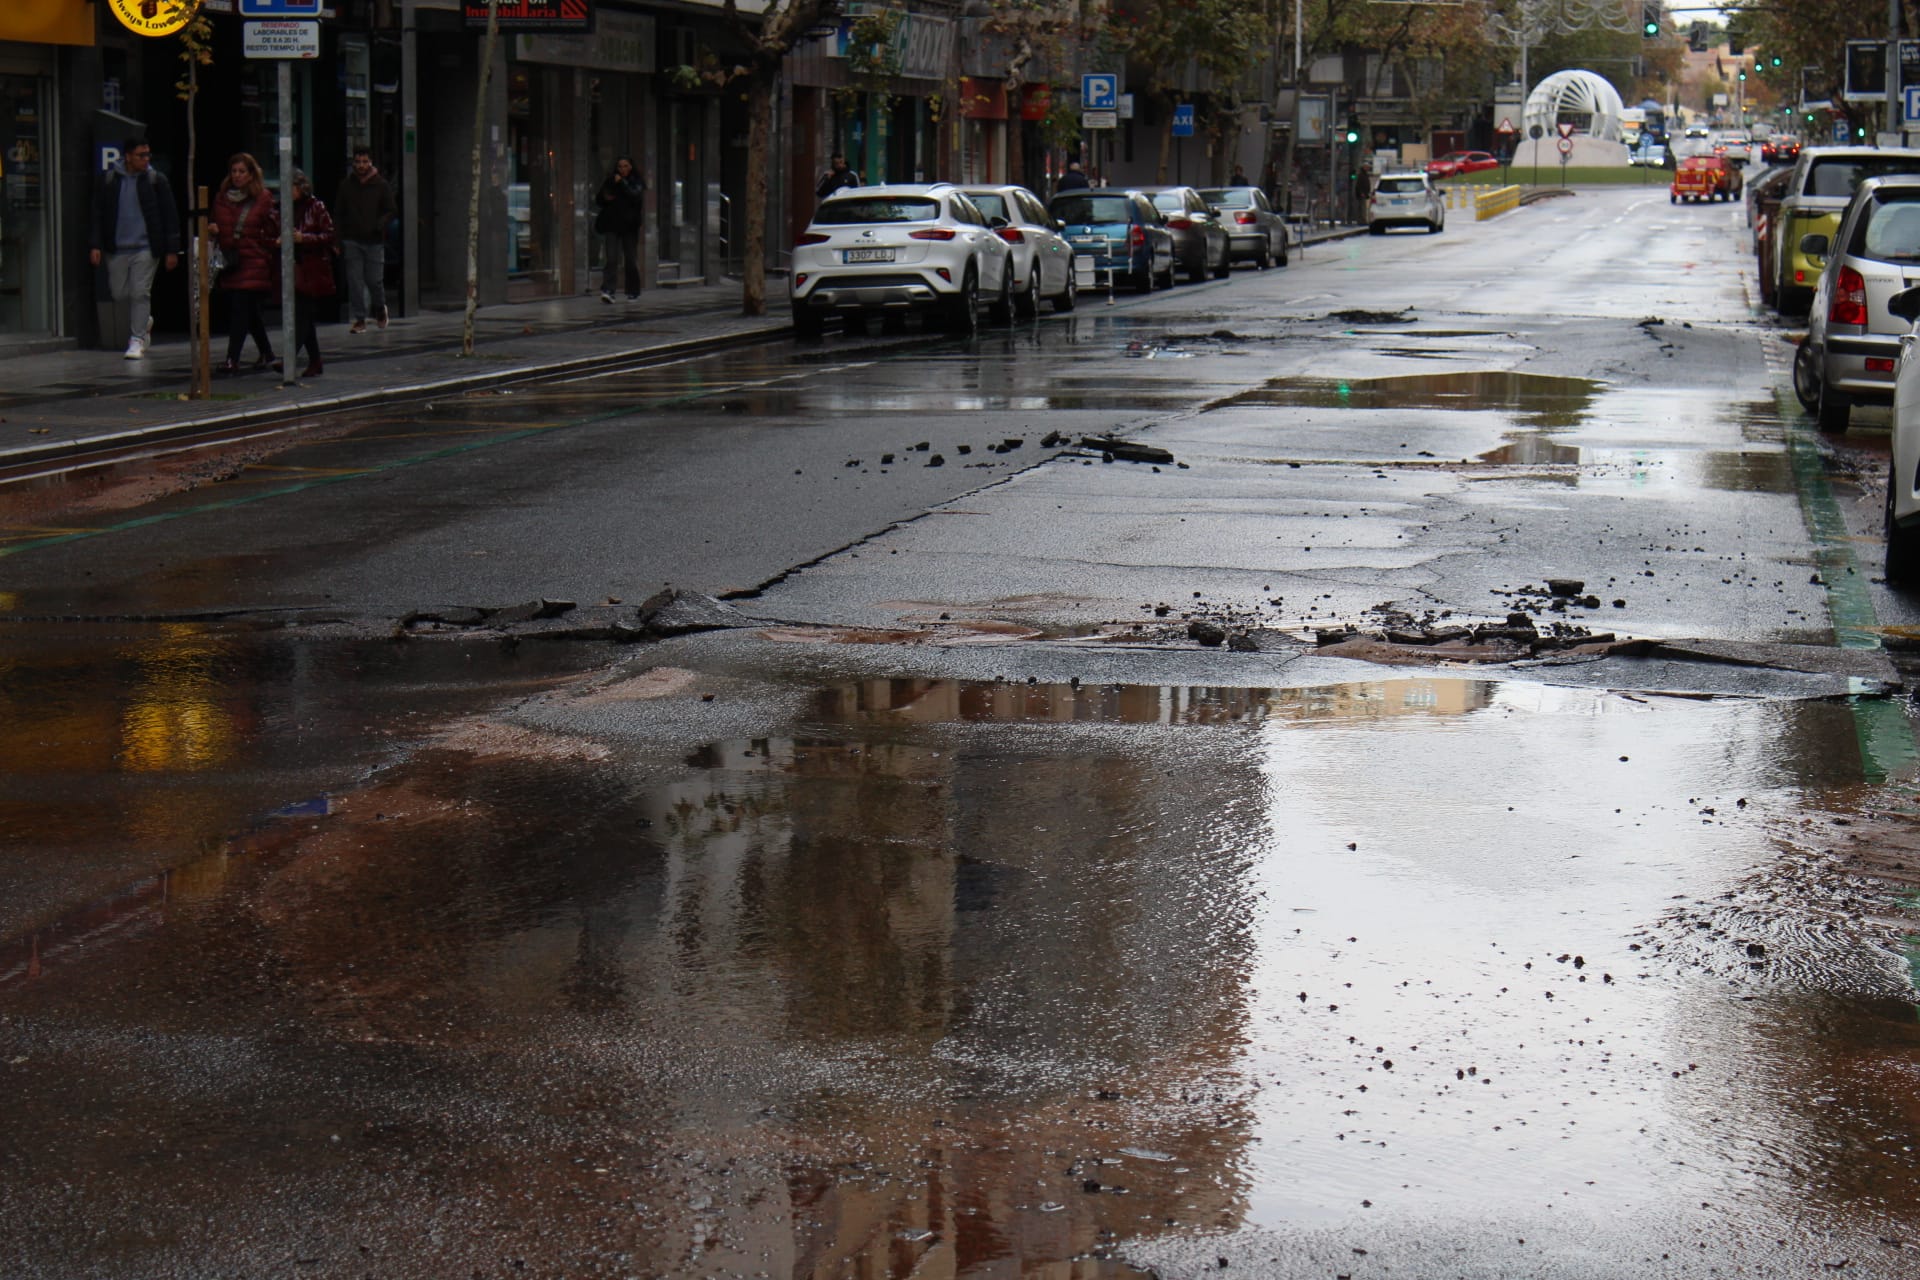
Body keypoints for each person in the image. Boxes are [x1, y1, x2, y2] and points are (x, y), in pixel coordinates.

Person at [88, 136, 182, 360]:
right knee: (119, 293)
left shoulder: (155, 180)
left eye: (148, 154)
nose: (146, 159)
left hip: (146, 247)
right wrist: (95, 244)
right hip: (117, 247)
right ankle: (144, 320)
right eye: (141, 155)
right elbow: (97, 214)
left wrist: (172, 249)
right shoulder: (109, 180)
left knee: (140, 292)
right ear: (128, 156)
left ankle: (137, 339)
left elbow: (170, 216)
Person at [210, 152, 280, 375]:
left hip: (254, 259)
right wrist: (213, 229)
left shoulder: (263, 198)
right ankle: (268, 354)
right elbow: (215, 220)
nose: (237, 176)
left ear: (251, 175)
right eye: (234, 171)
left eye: (242, 172)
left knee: (241, 309)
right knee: (249, 312)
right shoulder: (222, 197)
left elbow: (272, 228)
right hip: (232, 261)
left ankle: (233, 359)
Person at [333, 146, 396, 334]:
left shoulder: (381, 185)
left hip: (374, 240)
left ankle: (379, 308)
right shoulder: (346, 186)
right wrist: (337, 240)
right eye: (358, 162)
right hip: (352, 239)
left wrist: (380, 224)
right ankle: (360, 319)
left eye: (365, 162)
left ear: (371, 163)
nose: (361, 165)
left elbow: (391, 209)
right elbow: (338, 213)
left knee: (374, 280)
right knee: (354, 281)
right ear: (353, 163)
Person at [285, 169, 335, 378]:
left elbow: (328, 234)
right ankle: (315, 361)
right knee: (304, 316)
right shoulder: (287, 209)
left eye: (292, 188)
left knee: (304, 314)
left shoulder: (316, 207)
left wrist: (304, 238)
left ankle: (290, 358)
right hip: (294, 267)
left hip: (311, 268)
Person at [594, 157, 645, 303]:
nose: (623, 169)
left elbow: (634, 195)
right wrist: (606, 197)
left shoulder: (636, 182)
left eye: (625, 166)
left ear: (631, 167)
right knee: (611, 258)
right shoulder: (611, 180)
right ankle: (608, 289)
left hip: (629, 226)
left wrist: (622, 183)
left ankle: (633, 290)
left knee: (630, 259)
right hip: (612, 225)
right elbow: (599, 199)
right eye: (620, 166)